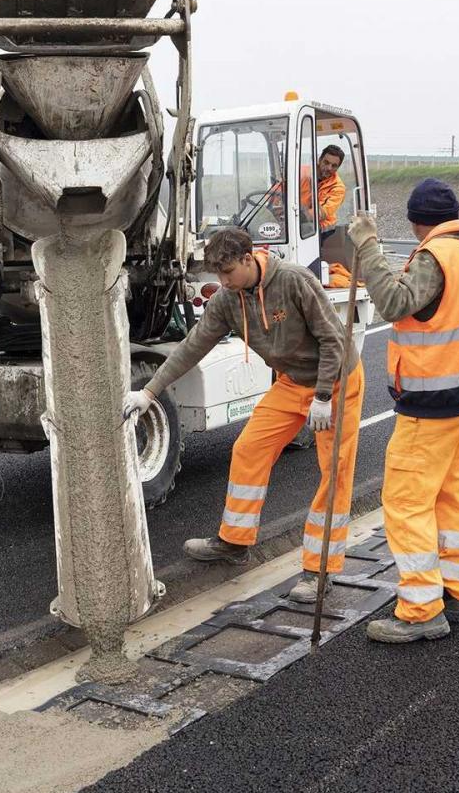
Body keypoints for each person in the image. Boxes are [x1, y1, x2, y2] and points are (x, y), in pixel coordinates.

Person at [124, 227, 361, 603]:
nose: (223, 281)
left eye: (229, 272)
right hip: (291, 381)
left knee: (335, 473)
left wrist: (322, 396)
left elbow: (334, 339)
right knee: (248, 449)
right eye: (217, 275)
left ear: (249, 259)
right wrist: (149, 393)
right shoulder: (229, 298)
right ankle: (235, 543)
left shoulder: (294, 281)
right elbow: (191, 347)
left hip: (334, 383)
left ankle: (319, 571)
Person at [344, 179, 459, 643]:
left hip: (431, 403)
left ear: (416, 222)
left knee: (408, 503)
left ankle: (419, 608)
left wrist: (367, 244)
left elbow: (393, 302)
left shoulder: (436, 256)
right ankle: (454, 592)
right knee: (452, 498)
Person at [271, 144, 350, 286]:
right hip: (294, 218)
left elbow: (321, 213)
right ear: (320, 159)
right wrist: (274, 206)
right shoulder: (301, 172)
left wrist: (297, 212)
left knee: (308, 239)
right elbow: (278, 190)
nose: (329, 168)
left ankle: (310, 281)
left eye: (334, 166)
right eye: (326, 163)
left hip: (320, 226)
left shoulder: (338, 187)